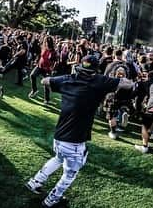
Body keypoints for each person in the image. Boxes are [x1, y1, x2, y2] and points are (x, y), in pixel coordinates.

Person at [25, 55, 134, 207]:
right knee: (70, 173)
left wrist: (64, 84)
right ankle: (52, 200)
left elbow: (45, 81)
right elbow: (127, 84)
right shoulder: (99, 81)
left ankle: (35, 182)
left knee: (58, 157)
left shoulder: (69, 79)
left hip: (59, 135)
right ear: (95, 70)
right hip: (75, 139)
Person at [28, 36, 58, 104]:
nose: (46, 43)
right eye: (46, 42)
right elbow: (40, 56)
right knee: (32, 75)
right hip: (39, 66)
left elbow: (56, 61)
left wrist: (52, 68)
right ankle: (34, 90)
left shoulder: (53, 51)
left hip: (47, 69)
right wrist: (36, 60)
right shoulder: (43, 48)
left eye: (48, 42)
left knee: (46, 84)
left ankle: (47, 100)